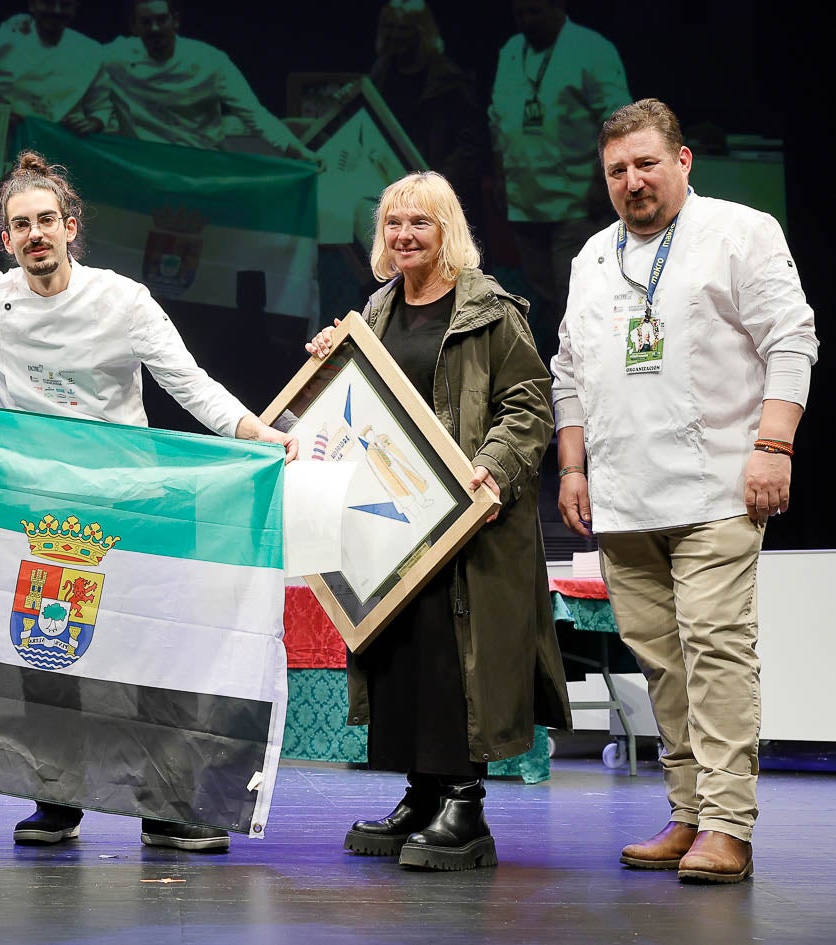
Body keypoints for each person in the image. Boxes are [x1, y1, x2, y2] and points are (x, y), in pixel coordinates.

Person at [0, 149, 298, 851]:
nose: (35, 234)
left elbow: (190, 384)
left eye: (47, 220)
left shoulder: (122, 300)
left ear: (70, 226)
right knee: (49, 655)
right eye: (21, 225)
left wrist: (261, 436)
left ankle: (163, 807)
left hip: (127, 502)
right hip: (36, 509)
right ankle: (56, 799)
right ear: (5, 238)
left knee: (143, 654)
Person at [552, 98, 819, 884]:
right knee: (662, 665)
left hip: (717, 488)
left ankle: (729, 825)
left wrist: (773, 445)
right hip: (625, 499)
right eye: (616, 171)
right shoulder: (591, 257)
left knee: (714, 651)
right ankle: (688, 811)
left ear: (683, 160)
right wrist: (572, 468)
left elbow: (790, 338)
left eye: (644, 164)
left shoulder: (740, 231)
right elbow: (568, 372)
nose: (631, 181)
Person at [304, 170, 570, 871]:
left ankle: (464, 805)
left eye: (418, 222)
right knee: (404, 654)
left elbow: (528, 407)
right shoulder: (375, 312)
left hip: (469, 526)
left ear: (447, 229)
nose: (402, 236)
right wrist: (326, 373)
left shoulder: (491, 312)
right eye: (392, 223)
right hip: (392, 523)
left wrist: (491, 466)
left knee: (458, 658)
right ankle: (420, 796)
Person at [488, 0, 629, 366]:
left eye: (534, 12)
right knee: (544, 303)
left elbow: (618, 121)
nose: (526, 21)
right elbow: (498, 120)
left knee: (578, 302)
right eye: (519, 14)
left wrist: (603, 185)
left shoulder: (592, 50)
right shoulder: (510, 52)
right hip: (526, 201)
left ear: (558, 7)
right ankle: (554, 385)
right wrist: (502, 176)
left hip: (576, 203)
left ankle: (589, 378)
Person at [98, 0, 317, 162]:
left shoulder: (211, 61)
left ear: (176, 20)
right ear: (134, 26)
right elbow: (74, 71)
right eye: (146, 22)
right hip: (147, 170)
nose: (155, 28)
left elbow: (254, 114)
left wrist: (298, 150)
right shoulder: (116, 58)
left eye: (162, 19)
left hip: (205, 168)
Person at [357, 0, 487, 239]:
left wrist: (439, 187)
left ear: (421, 31)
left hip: (440, 195)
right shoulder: (381, 72)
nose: (395, 35)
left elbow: (472, 141)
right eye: (390, 27)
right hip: (394, 189)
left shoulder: (448, 78)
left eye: (403, 28)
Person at [0, 0, 111, 133]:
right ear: (32, 4)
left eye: (66, 4)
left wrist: (94, 122)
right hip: (7, 139)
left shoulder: (91, 51)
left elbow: (100, 107)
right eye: (48, 2)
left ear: (76, 7)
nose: (57, 10)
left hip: (62, 142)